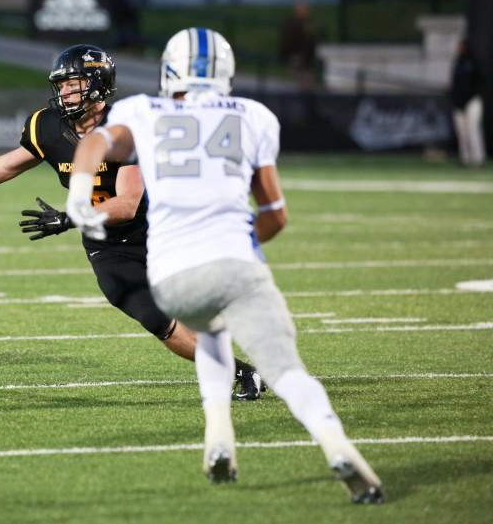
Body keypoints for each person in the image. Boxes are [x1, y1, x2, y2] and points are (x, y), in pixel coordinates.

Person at [64, 28, 384, 504]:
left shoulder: (144, 111)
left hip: (173, 274)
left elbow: (92, 147)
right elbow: (276, 214)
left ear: (170, 70)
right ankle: (336, 445)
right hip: (235, 261)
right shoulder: (254, 116)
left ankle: (219, 437)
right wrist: (245, 241)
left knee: (210, 334)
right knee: (287, 370)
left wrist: (78, 200)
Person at [0, 44, 265, 400]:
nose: (63, 92)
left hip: (158, 230)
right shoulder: (46, 127)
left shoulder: (124, 128)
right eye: (60, 85)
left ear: (96, 85)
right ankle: (242, 372)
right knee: (153, 318)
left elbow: (126, 203)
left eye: (71, 83)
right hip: (106, 244)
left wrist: (69, 217)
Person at [449, 40, 486, 167]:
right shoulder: (458, 62)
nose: (459, 48)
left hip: (472, 102)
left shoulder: (474, 63)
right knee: (462, 132)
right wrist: (456, 101)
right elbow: (454, 84)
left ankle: (477, 158)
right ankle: (465, 158)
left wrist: (469, 99)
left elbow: (479, 84)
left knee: (473, 129)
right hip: (459, 103)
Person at [278, 1, 317, 92]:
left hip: (303, 57)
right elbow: (288, 41)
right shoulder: (296, 24)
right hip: (298, 56)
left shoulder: (304, 23)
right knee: (303, 82)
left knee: (304, 82)